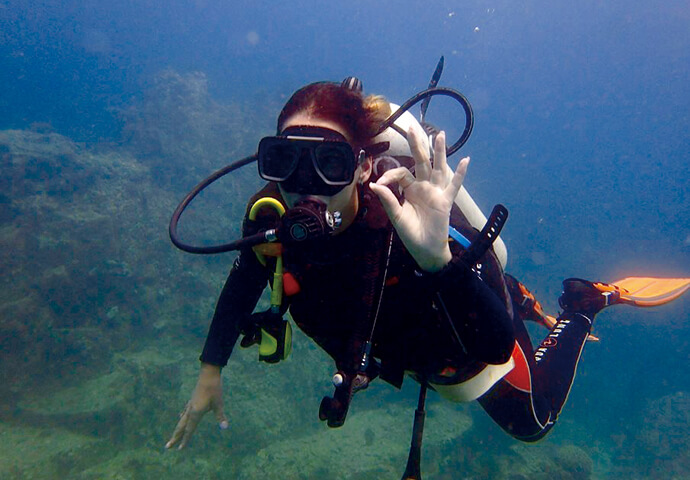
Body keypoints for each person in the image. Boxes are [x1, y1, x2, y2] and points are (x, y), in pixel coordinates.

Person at [165, 81, 689, 451]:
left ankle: (581, 304)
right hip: (409, 348)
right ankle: (529, 298)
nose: (303, 184)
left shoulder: (405, 220)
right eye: (284, 161)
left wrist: (436, 260)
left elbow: (491, 345)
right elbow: (243, 279)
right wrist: (211, 369)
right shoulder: (273, 218)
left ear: (365, 165)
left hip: (461, 324)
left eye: (329, 164)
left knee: (534, 424)